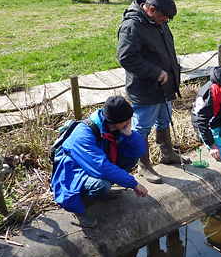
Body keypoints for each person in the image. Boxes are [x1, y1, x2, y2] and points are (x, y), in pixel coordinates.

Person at [117, 0, 189, 185]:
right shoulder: (132, 26)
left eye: (167, 18)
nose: (165, 21)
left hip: (164, 86)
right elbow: (126, 57)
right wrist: (155, 72)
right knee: (142, 127)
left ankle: (167, 153)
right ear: (151, 9)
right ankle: (143, 165)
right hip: (145, 88)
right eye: (163, 17)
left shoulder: (158, 21)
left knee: (164, 119)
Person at [51, 96, 149, 228]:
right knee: (101, 184)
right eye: (126, 121)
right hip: (73, 174)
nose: (128, 122)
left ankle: (103, 193)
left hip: (93, 166)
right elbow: (102, 168)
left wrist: (129, 134)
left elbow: (139, 150)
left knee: (131, 157)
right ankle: (80, 208)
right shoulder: (83, 134)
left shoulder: (113, 127)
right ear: (114, 122)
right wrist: (134, 184)